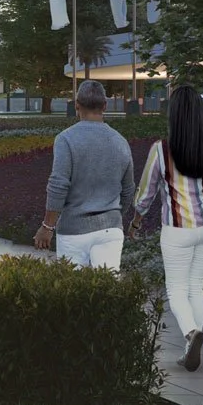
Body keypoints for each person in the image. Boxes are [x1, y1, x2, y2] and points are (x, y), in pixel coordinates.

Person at [133, 85, 203, 371]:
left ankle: (192, 334)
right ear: (200, 113)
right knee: (196, 285)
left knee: (177, 287)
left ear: (173, 114)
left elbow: (145, 194)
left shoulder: (161, 149)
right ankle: (190, 347)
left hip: (177, 230)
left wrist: (136, 218)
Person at [36, 81, 131, 270]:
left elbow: (58, 185)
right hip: (110, 229)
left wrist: (47, 227)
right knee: (108, 290)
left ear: (77, 105)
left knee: (74, 292)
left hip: (74, 230)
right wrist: (114, 215)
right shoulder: (121, 142)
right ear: (105, 105)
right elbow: (128, 189)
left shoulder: (66, 139)